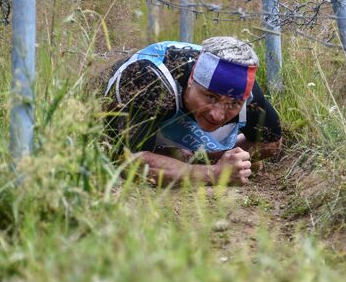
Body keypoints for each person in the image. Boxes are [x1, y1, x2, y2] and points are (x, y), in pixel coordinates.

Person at [105, 36, 282, 186]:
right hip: (133, 112)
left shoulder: (248, 96)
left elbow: (270, 144)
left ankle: (182, 155)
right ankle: (169, 154)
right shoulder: (149, 81)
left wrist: (219, 159)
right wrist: (213, 173)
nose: (217, 115)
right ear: (191, 81)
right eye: (210, 97)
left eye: (233, 104)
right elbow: (127, 163)